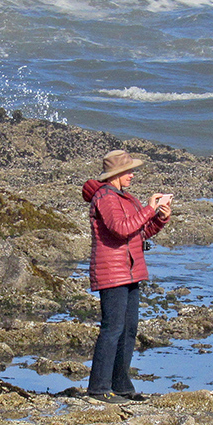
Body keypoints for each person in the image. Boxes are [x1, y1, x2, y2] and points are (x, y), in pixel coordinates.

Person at [82, 149, 171, 404]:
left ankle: (121, 385)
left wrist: (159, 219)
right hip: (112, 272)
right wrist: (148, 208)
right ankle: (99, 388)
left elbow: (138, 234)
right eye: (129, 171)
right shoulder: (106, 198)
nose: (133, 175)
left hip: (130, 270)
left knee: (129, 330)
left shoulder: (125, 197)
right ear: (116, 174)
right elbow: (121, 229)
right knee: (113, 329)